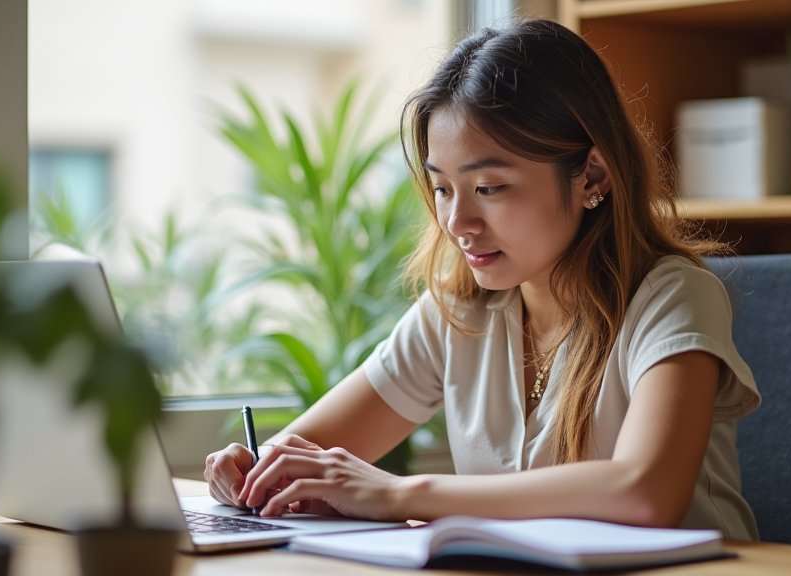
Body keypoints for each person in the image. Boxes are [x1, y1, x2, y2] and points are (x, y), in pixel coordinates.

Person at [204, 18, 761, 540]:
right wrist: (248, 470)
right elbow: (300, 455)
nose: (457, 223)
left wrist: (401, 494)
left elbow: (646, 492)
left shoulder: (673, 297)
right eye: (443, 189)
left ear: (592, 174)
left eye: (489, 188)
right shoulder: (457, 313)